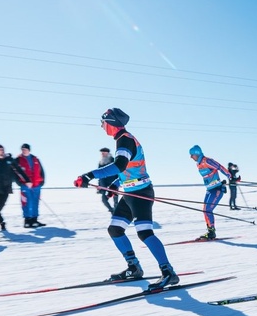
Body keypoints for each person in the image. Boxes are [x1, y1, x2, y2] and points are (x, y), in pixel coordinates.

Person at [74, 108, 178, 286]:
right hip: (130, 193)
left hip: (141, 193)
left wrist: (89, 175)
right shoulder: (122, 140)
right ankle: (134, 267)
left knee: (144, 232)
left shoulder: (125, 140)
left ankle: (168, 272)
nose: (101, 126)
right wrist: (115, 185)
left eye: (103, 122)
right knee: (115, 230)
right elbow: (127, 169)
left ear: (111, 123)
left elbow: (120, 165)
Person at [189, 145, 230, 240]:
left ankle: (212, 232)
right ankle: (210, 231)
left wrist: (230, 176)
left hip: (216, 189)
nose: (191, 157)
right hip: (209, 190)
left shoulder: (207, 161)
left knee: (208, 210)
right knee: (205, 210)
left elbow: (219, 167)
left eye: (192, 155)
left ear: (197, 153)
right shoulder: (198, 164)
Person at [17, 143, 45, 227]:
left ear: (29, 150)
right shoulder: (18, 159)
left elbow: (41, 170)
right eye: (22, 149)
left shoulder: (35, 159)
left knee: (35, 202)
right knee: (26, 202)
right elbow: (15, 172)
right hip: (25, 185)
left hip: (36, 185)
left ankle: (34, 220)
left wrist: (42, 181)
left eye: (25, 149)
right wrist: (20, 183)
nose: (24, 151)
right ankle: (27, 220)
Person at [96, 147, 119, 212]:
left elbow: (118, 171)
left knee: (115, 199)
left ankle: (116, 211)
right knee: (104, 199)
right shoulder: (101, 162)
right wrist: (99, 185)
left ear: (108, 153)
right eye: (102, 153)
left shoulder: (113, 160)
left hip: (113, 182)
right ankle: (111, 210)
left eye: (104, 153)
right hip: (104, 184)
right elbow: (99, 174)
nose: (102, 154)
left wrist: (118, 182)